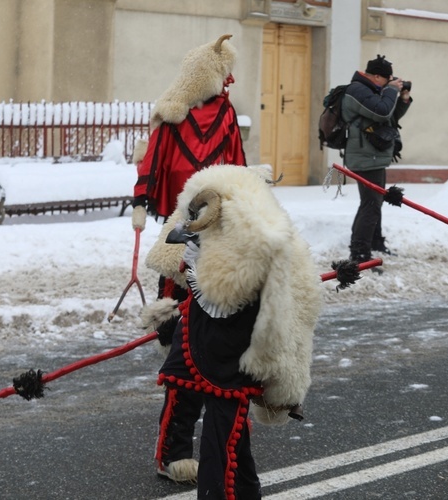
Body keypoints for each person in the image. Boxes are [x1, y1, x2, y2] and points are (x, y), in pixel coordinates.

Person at [145, 165, 322, 499]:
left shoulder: (259, 239)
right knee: (182, 389)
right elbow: (172, 261)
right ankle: (174, 457)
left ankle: (229, 491)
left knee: (223, 430)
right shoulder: (203, 202)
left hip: (229, 349)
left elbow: (231, 301)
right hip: (196, 330)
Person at [130, 34, 247, 483]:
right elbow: (154, 165)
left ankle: (219, 438)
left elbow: (235, 166)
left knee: (218, 338)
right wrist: (142, 201)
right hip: (181, 235)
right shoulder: (172, 116)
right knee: (185, 343)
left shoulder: (225, 114)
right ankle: (176, 449)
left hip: (219, 234)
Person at [343, 55, 412, 262]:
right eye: (387, 78)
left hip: (374, 156)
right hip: (365, 157)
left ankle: (375, 243)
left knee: (374, 202)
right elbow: (381, 112)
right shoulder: (357, 90)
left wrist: (403, 98)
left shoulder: (374, 90)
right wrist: (391, 90)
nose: (390, 82)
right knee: (370, 204)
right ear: (375, 76)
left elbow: (390, 117)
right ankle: (360, 253)